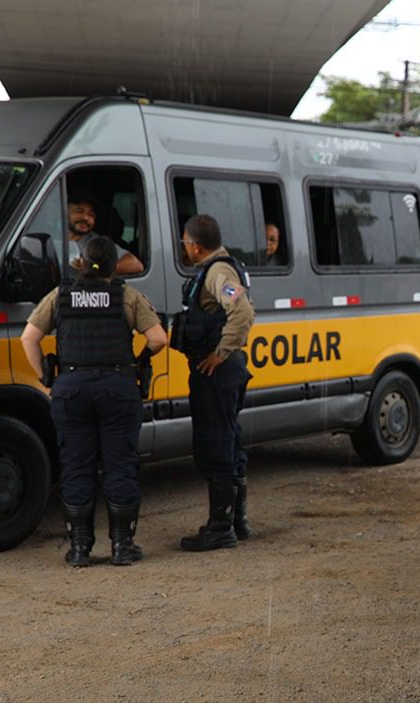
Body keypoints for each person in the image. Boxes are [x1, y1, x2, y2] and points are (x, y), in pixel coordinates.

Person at [20, 236, 167, 567]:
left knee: (76, 466)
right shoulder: (126, 296)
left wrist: (46, 380)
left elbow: (29, 338)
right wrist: (139, 360)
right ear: (114, 266)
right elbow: (158, 339)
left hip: (71, 389)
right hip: (117, 387)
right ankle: (122, 547)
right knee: (120, 465)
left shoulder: (60, 296)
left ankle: (79, 549)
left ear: (80, 264)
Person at [173, 214, 256, 551]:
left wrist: (219, 353)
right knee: (229, 439)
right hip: (224, 370)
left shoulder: (218, 272)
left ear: (195, 245)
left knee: (216, 441)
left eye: (184, 241)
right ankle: (236, 521)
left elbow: (243, 312)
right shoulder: (215, 269)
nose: (184, 247)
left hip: (218, 371)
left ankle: (221, 527)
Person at [65, 190, 144, 276]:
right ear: (65, 212)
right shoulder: (52, 238)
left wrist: (94, 269)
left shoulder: (97, 243)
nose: (86, 218)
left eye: (91, 214)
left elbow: (135, 265)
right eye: (79, 211)